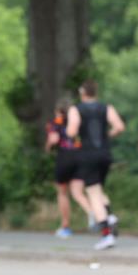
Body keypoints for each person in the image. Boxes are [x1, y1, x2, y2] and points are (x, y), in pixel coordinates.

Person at [67, 80, 125, 250]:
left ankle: (106, 234)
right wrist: (107, 135)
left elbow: (71, 131)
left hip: (88, 154)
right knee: (98, 188)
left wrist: (75, 136)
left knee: (93, 192)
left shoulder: (76, 109)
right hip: (105, 154)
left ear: (82, 93)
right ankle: (110, 215)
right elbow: (119, 126)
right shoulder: (106, 107)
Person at [46, 100, 92, 239]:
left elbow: (54, 139)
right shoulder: (79, 121)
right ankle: (93, 213)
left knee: (62, 192)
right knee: (78, 192)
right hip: (81, 156)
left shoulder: (57, 122)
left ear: (58, 111)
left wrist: (48, 146)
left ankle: (65, 226)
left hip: (65, 156)